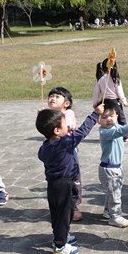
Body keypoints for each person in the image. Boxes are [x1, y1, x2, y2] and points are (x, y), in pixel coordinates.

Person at [36, 103, 104, 254]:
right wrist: (95, 114)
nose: (68, 125)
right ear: (57, 130)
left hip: (53, 186)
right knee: (64, 216)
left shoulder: (45, 147)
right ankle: (60, 247)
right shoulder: (65, 143)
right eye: (64, 124)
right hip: (65, 185)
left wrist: (43, 118)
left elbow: (44, 151)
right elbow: (82, 132)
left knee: (57, 214)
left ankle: (61, 237)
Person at [47, 87, 83, 221]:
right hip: (54, 151)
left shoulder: (68, 114)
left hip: (69, 151)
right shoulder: (48, 114)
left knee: (73, 178)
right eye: (51, 96)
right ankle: (61, 204)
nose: (52, 98)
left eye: (57, 96)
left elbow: (66, 127)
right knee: (58, 178)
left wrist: (47, 120)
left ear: (66, 103)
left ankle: (74, 205)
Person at [97, 101, 128, 228]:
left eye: (111, 115)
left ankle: (107, 211)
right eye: (104, 117)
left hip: (116, 167)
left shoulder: (116, 127)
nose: (108, 119)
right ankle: (115, 216)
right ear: (98, 120)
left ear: (117, 115)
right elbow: (120, 132)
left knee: (112, 192)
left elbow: (124, 131)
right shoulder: (104, 132)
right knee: (115, 194)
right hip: (108, 169)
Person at [92, 58, 128, 126]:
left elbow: (96, 93)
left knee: (105, 118)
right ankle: (125, 134)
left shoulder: (100, 79)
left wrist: (95, 104)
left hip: (105, 102)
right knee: (121, 119)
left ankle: (107, 130)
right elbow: (119, 91)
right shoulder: (115, 79)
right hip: (115, 102)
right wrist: (124, 101)